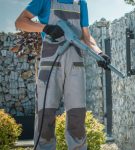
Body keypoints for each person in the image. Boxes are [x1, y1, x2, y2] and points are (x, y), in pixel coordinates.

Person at [15, 0, 110, 149]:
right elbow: (20, 22)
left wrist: (99, 53)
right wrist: (45, 28)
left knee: (77, 118)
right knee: (45, 116)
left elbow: (86, 37)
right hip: (50, 64)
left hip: (75, 65)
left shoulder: (80, 3)